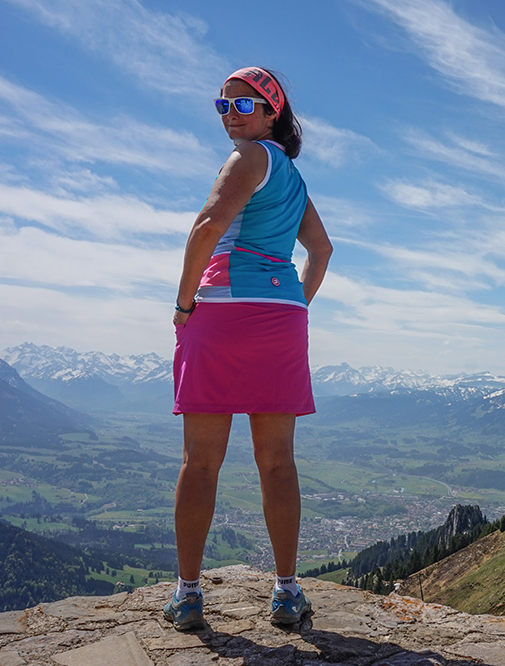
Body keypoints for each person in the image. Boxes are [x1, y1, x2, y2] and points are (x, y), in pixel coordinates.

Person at [165, 66, 332, 631]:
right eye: (223, 105)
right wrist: (292, 304)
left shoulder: (247, 158)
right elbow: (322, 250)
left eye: (242, 104)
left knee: (201, 460)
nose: (229, 115)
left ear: (272, 113)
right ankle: (286, 592)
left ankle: (188, 596)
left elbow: (208, 226)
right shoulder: (293, 178)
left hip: (223, 309)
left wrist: (186, 304)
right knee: (278, 460)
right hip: (281, 316)